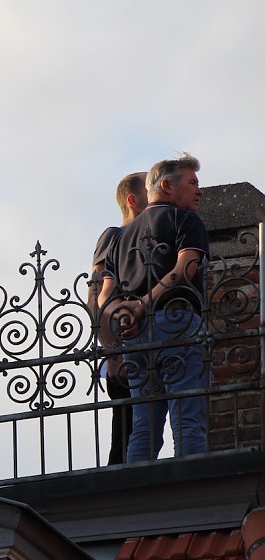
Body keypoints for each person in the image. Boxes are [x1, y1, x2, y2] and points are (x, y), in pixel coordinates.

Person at [99, 153, 209, 462]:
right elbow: (186, 268)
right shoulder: (186, 220)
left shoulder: (121, 237)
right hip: (177, 324)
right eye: (192, 183)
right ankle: (193, 489)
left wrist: (126, 312)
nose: (199, 191)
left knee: (143, 427)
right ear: (166, 186)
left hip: (136, 337)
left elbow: (105, 295)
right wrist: (145, 305)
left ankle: (139, 491)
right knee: (187, 418)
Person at [89, 172, 147, 465]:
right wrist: (113, 352)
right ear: (133, 200)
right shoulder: (114, 236)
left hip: (148, 344)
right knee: (125, 435)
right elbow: (96, 297)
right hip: (123, 351)